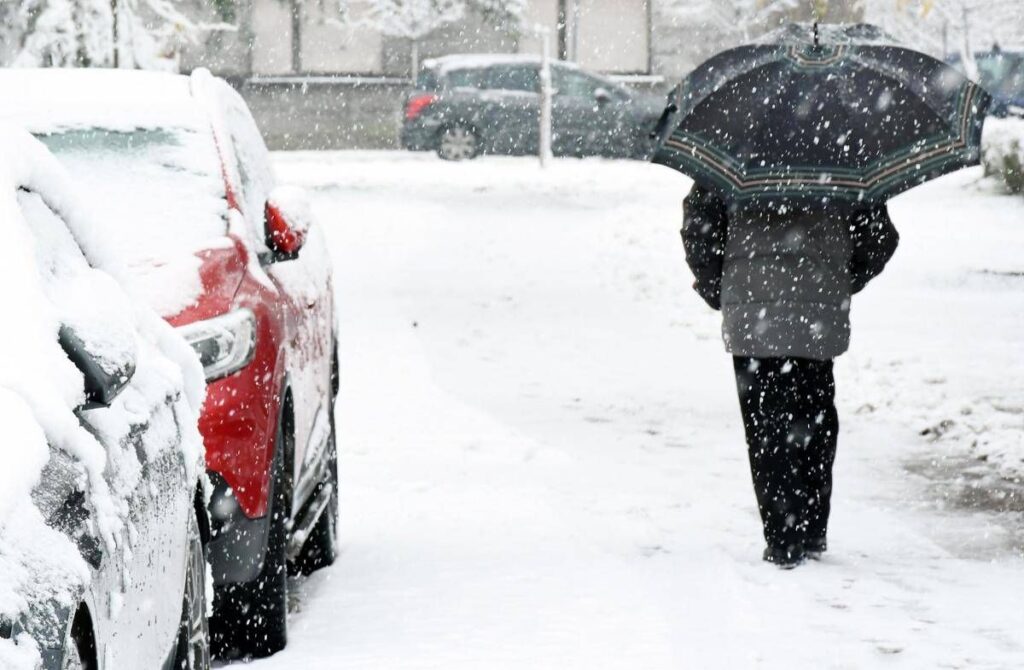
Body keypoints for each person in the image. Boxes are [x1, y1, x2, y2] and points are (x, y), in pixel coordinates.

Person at [682, 184, 899, 568]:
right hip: (817, 312)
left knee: (766, 426)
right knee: (814, 415)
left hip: (753, 315)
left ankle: (784, 536)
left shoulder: (731, 154)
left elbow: (699, 228)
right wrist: (842, 279)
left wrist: (719, 286)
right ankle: (812, 526)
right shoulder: (839, 159)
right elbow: (879, 238)